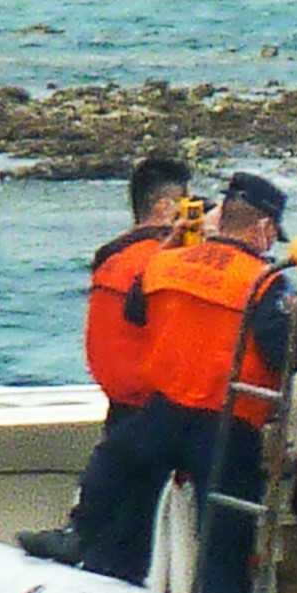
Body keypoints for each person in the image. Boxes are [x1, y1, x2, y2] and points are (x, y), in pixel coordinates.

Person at [21, 173, 294, 593]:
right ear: (264, 228)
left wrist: (173, 247)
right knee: (224, 541)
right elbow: (285, 349)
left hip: (165, 410)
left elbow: (134, 313)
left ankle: (80, 537)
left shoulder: (167, 262)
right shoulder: (264, 282)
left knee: (115, 464)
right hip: (228, 425)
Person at [85, 157, 197, 434]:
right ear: (165, 208)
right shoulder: (167, 263)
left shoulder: (109, 257)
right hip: (157, 410)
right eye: (186, 203)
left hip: (119, 404)